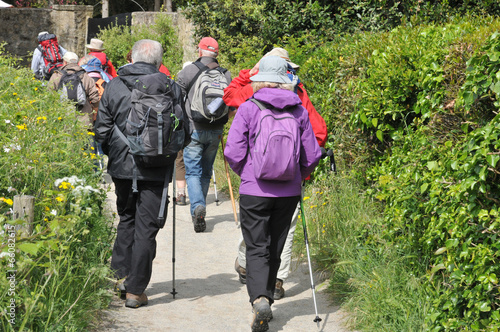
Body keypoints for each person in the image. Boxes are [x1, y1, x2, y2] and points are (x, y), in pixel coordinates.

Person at [224, 56, 322, 332]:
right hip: (288, 192)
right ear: (286, 81)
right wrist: (298, 176)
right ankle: (267, 294)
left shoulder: (249, 107)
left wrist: (247, 172)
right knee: (275, 246)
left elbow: (232, 151)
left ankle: (259, 299)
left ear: (259, 80)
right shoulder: (299, 110)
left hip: (255, 189)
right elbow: (312, 155)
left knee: (256, 246)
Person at [94, 39, 189, 308]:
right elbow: (186, 132)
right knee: (147, 228)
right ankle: (135, 290)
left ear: (132, 58)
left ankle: (118, 280)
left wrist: (113, 153)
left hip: (122, 168)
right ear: (159, 62)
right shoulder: (171, 87)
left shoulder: (115, 84)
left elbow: (101, 129)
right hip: (157, 169)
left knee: (126, 219)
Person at [175, 37, 232, 232]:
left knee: (192, 171)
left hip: (194, 129)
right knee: (206, 171)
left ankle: (197, 207)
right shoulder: (226, 74)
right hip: (216, 130)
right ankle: (201, 206)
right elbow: (232, 103)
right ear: (217, 54)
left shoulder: (189, 70)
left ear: (200, 52)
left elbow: (176, 98)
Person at [47, 51, 99, 128]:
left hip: (63, 118)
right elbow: (95, 98)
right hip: (83, 120)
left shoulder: (56, 76)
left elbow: (49, 96)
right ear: (77, 62)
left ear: (64, 62)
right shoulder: (86, 76)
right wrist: (94, 112)